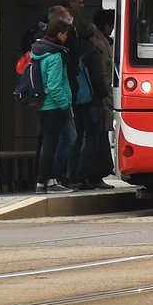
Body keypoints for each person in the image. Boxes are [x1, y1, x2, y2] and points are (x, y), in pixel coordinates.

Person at [67, 20, 111, 190]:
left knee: (76, 139)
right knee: (93, 140)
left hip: (76, 100)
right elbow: (98, 79)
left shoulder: (72, 50)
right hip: (92, 102)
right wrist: (103, 96)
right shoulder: (93, 51)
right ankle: (83, 175)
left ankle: (71, 175)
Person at [32, 19, 74, 193]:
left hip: (43, 105)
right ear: (59, 34)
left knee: (47, 144)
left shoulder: (38, 52)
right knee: (51, 145)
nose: (66, 37)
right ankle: (45, 182)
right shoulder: (55, 56)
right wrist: (64, 104)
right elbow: (55, 86)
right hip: (54, 107)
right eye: (65, 34)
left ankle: (45, 181)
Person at [92, 8, 117, 180]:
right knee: (98, 134)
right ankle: (99, 170)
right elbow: (103, 72)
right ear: (106, 25)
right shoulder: (99, 44)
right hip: (100, 95)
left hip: (103, 94)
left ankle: (102, 169)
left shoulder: (103, 42)